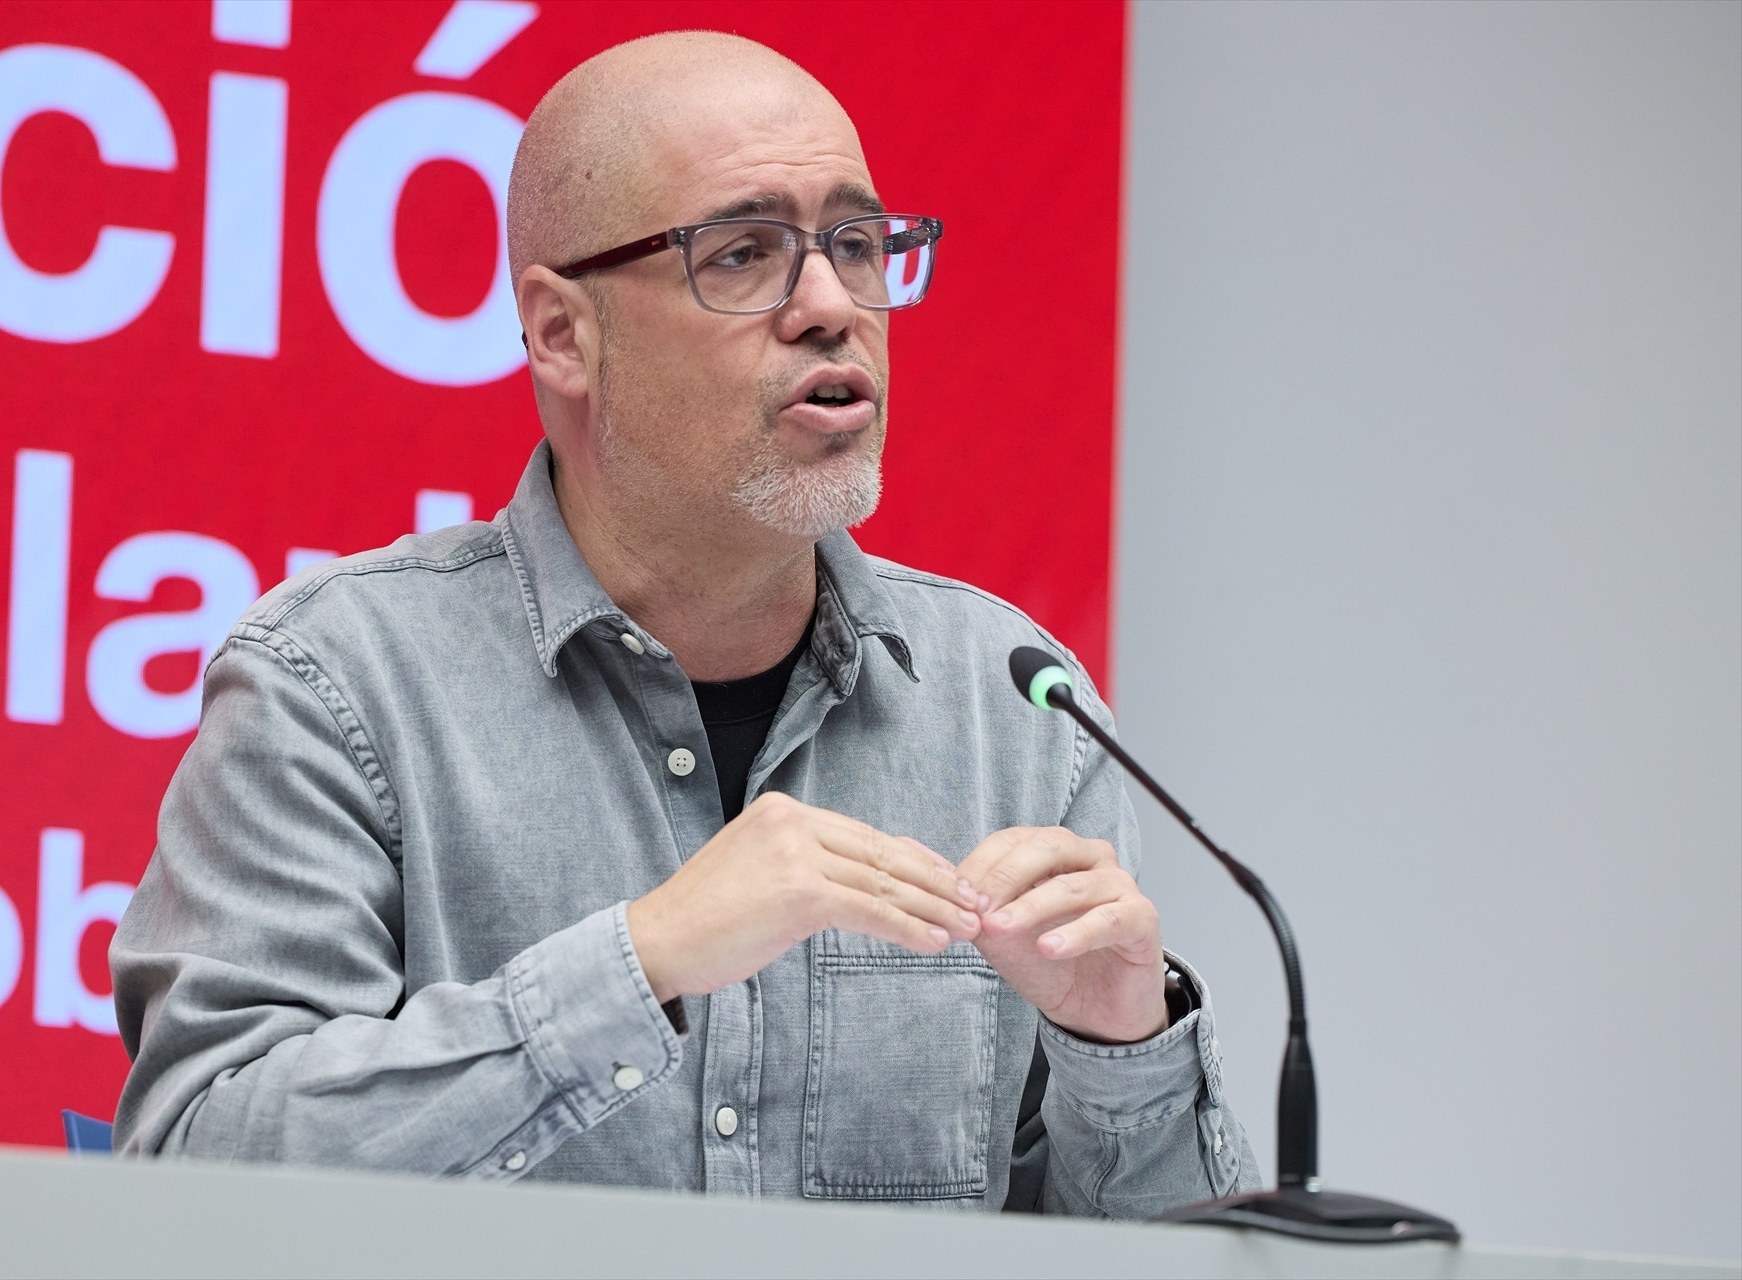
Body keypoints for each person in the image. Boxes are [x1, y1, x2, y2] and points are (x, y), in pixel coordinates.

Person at [111, 31, 1259, 1215]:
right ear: (563, 333)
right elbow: (198, 1156)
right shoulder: (339, 682)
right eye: (746, 252)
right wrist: (641, 963)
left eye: (859, 246)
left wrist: (1127, 1047)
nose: (831, 307)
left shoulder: (1018, 714)